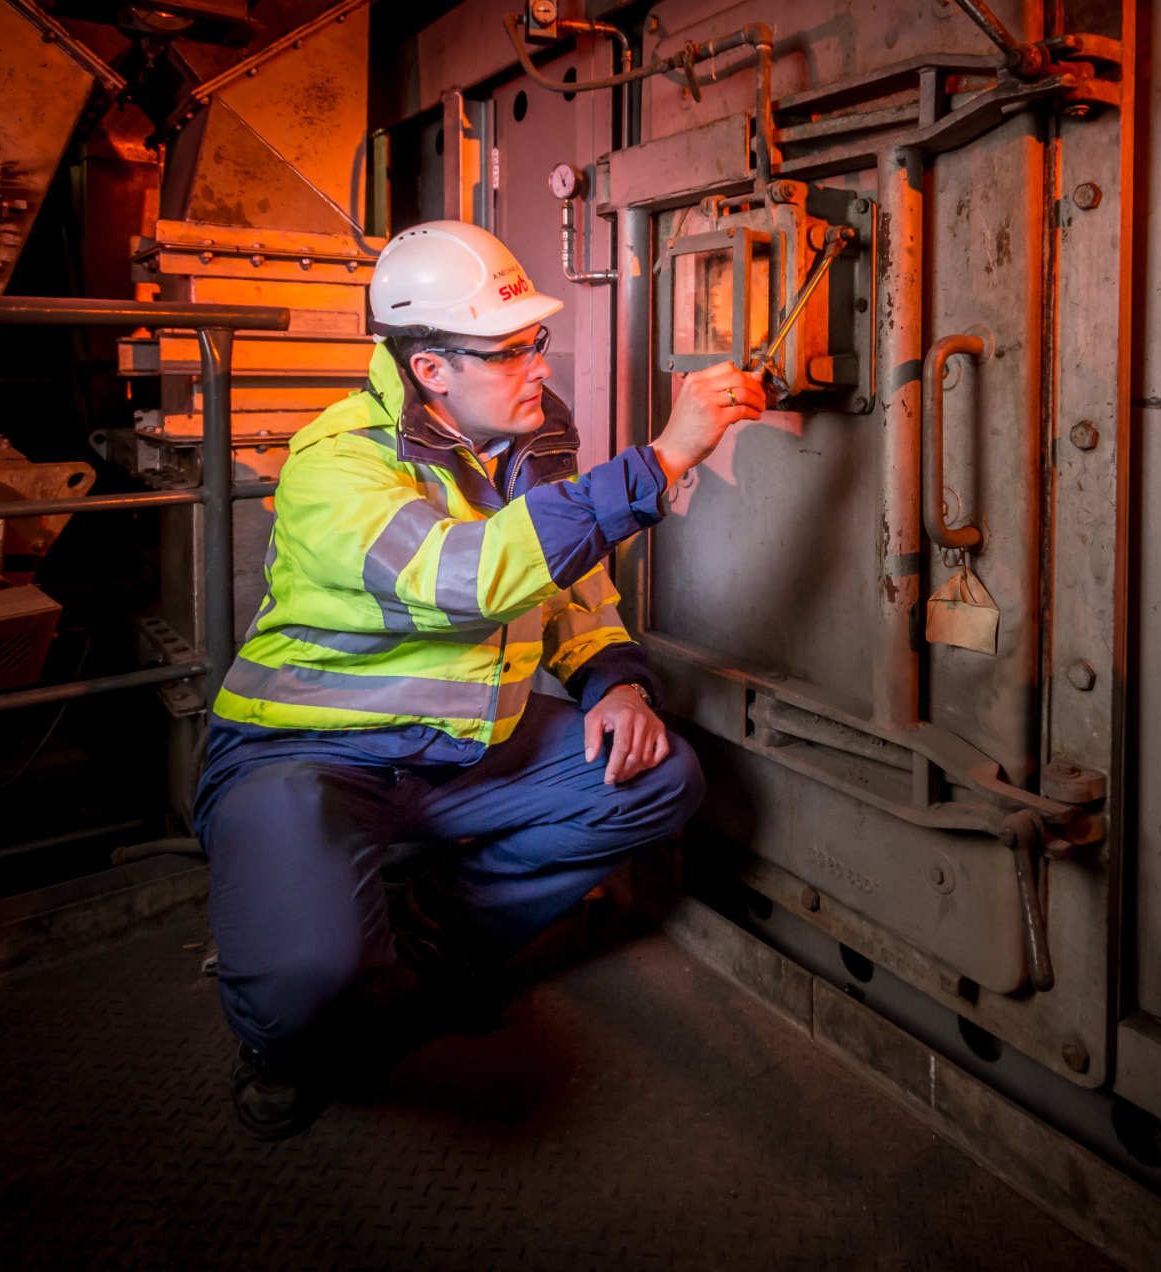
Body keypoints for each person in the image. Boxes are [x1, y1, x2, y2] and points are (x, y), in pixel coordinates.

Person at [194, 220, 767, 1139]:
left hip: (460, 748)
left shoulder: (525, 441)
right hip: (303, 759)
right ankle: (285, 1043)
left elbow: (569, 584)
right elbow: (468, 579)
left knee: (656, 777)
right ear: (430, 370)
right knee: (306, 977)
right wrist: (661, 461)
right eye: (508, 350)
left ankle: (427, 949)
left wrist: (612, 680)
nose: (537, 363)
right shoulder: (336, 466)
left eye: (535, 339)